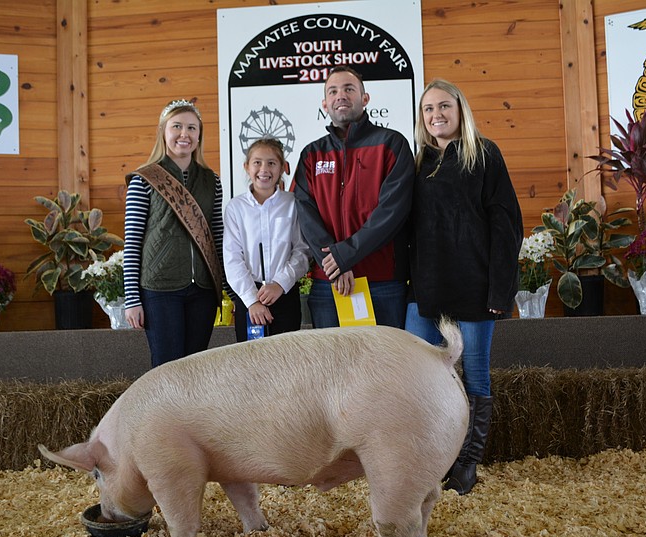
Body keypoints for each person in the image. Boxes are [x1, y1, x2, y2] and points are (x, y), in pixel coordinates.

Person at [405, 79, 523, 495]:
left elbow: (506, 224)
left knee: (475, 378)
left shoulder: (484, 154)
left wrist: (499, 292)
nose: (436, 114)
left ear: (460, 109)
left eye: (443, 106)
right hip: (426, 292)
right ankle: (430, 457)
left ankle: (466, 464)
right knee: (418, 377)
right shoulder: (417, 161)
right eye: (427, 108)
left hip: (475, 290)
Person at [292, 65, 414, 328]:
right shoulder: (311, 155)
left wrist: (344, 256)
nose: (341, 95)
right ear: (325, 103)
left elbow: (391, 214)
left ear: (365, 98)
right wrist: (335, 265)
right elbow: (306, 215)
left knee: (387, 367)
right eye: (333, 91)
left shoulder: (392, 145)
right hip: (329, 284)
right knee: (332, 368)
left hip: (382, 282)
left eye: (349, 89)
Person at [123, 99, 224, 367]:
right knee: (166, 369)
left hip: (202, 289)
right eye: (177, 126)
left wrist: (227, 291)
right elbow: (132, 243)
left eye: (191, 128)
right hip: (159, 289)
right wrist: (132, 299)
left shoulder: (211, 180)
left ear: (199, 134)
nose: (184, 134)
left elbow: (217, 237)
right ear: (163, 132)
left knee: (195, 369)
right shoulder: (143, 180)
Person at [224, 138, 310, 342]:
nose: (264, 169)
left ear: (282, 168)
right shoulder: (235, 208)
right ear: (246, 167)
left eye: (271, 163)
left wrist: (280, 284)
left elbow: (302, 250)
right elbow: (232, 259)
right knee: (252, 364)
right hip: (249, 296)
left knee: (287, 362)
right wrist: (252, 301)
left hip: (285, 294)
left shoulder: (293, 204)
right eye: (257, 162)